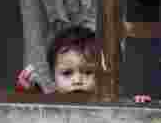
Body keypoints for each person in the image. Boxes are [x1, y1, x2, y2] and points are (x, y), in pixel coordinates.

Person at [16, 25, 151, 103]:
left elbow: (123, 113)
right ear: (53, 77)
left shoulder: (106, 100)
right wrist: (27, 90)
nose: (77, 80)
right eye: (67, 73)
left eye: (88, 72)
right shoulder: (52, 101)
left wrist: (137, 104)